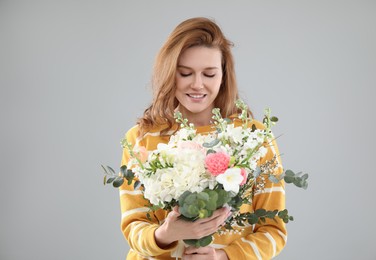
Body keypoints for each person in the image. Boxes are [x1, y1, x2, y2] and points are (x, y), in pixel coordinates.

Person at [119, 17, 287, 260]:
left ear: (223, 76)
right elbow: (133, 225)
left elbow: (274, 230)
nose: (197, 85)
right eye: (185, 73)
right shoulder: (140, 139)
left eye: (209, 74)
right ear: (170, 73)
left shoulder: (254, 138)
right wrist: (166, 234)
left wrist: (223, 257)